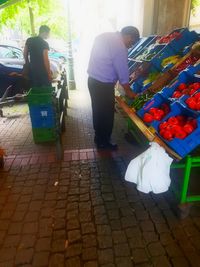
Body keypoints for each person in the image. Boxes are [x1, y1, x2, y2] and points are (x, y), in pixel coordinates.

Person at [88, 26, 140, 150]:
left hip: (92, 80)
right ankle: (104, 142)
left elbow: (105, 61)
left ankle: (98, 137)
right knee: (107, 114)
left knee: (98, 111)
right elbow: (122, 71)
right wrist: (128, 91)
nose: (130, 46)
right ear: (128, 36)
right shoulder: (119, 46)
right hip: (103, 85)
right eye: (131, 43)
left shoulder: (103, 36)